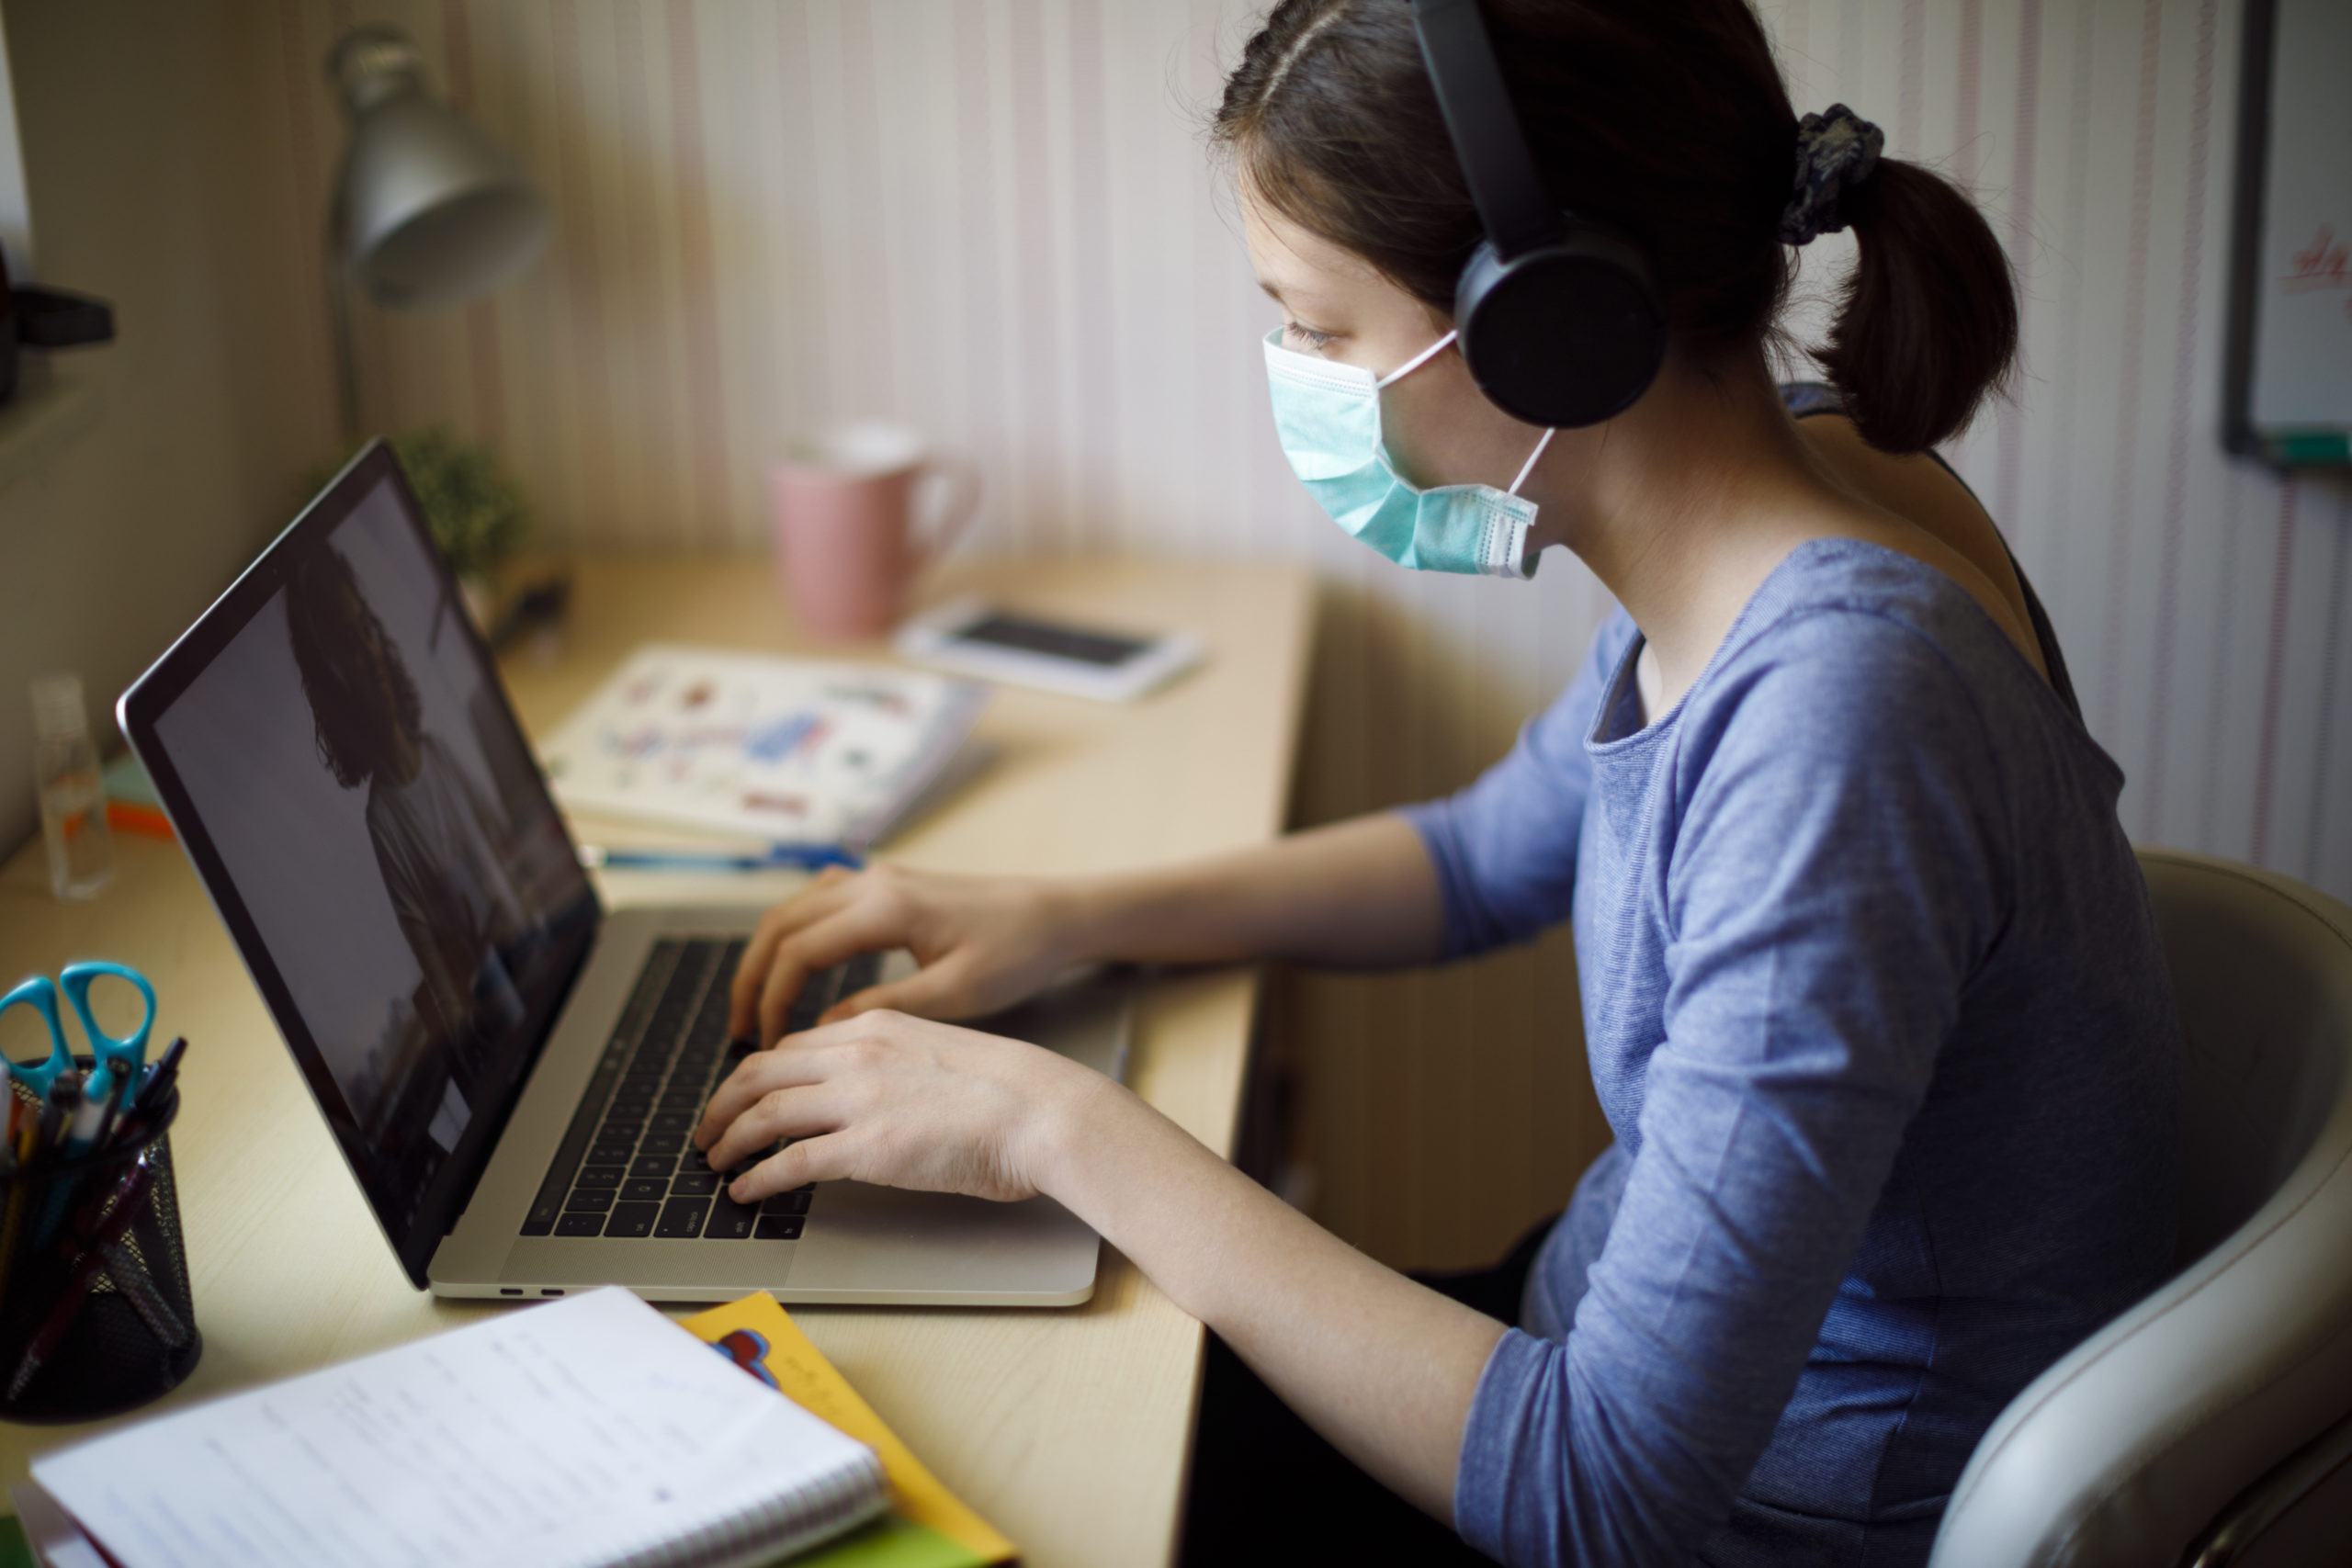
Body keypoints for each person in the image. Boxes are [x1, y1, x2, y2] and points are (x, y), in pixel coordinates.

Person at [694, 1, 2181, 1562]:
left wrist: (1058, 1133)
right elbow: (1482, 858)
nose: (1298, 376)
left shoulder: (1841, 719)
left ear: (1550, 320)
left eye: (1320, 328)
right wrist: (1064, 915)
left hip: (1735, 1515)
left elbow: (1598, 1494)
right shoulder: (1796, 492)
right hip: (1586, 1349)